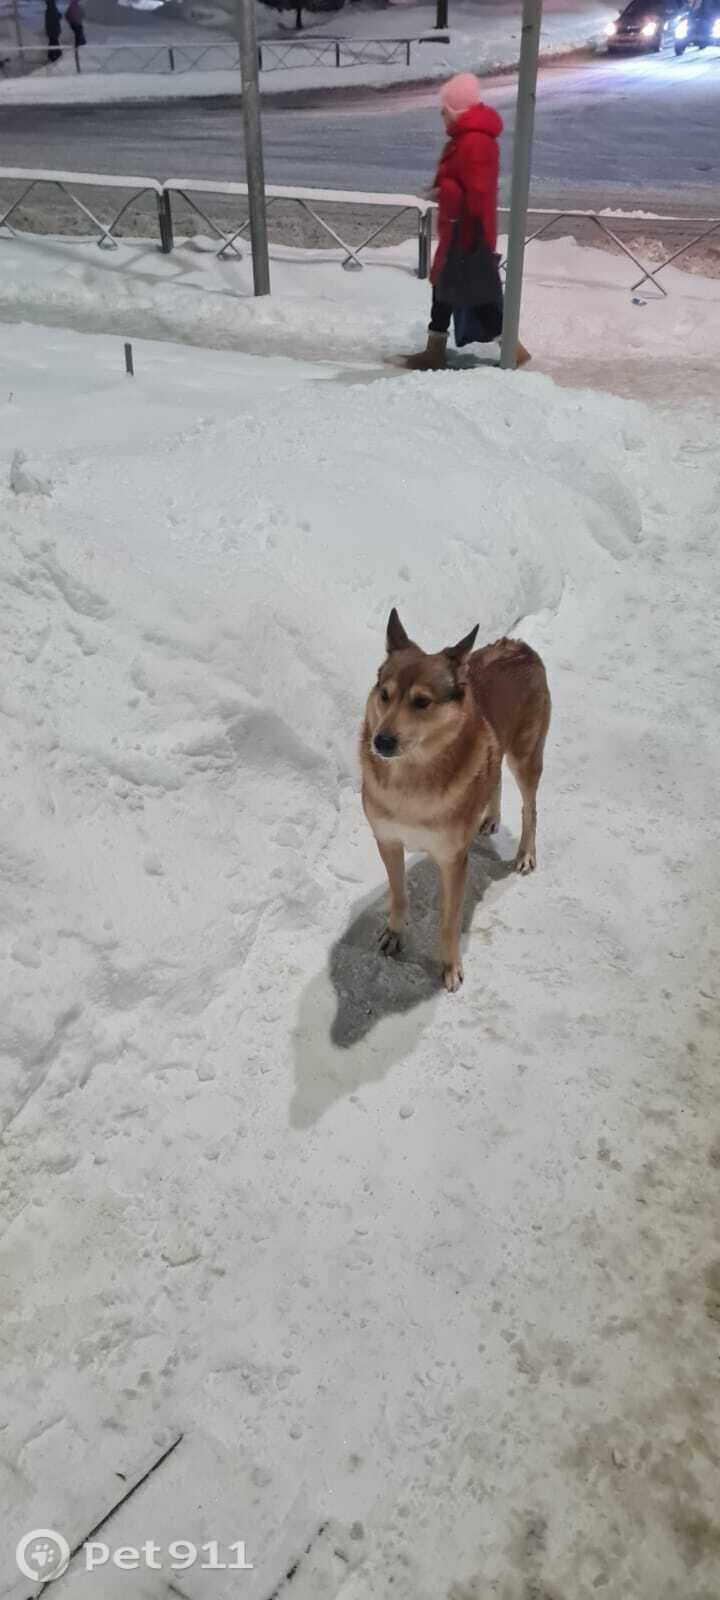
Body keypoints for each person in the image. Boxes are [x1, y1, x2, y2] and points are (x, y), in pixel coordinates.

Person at [404, 72, 530, 372]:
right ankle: (436, 349)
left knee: (471, 292)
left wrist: (446, 192)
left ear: (456, 110)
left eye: (444, 108)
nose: (441, 114)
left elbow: (478, 191)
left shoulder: (474, 141)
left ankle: (511, 348)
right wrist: (443, 189)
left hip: (467, 231)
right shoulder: (466, 138)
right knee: (448, 289)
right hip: (460, 227)